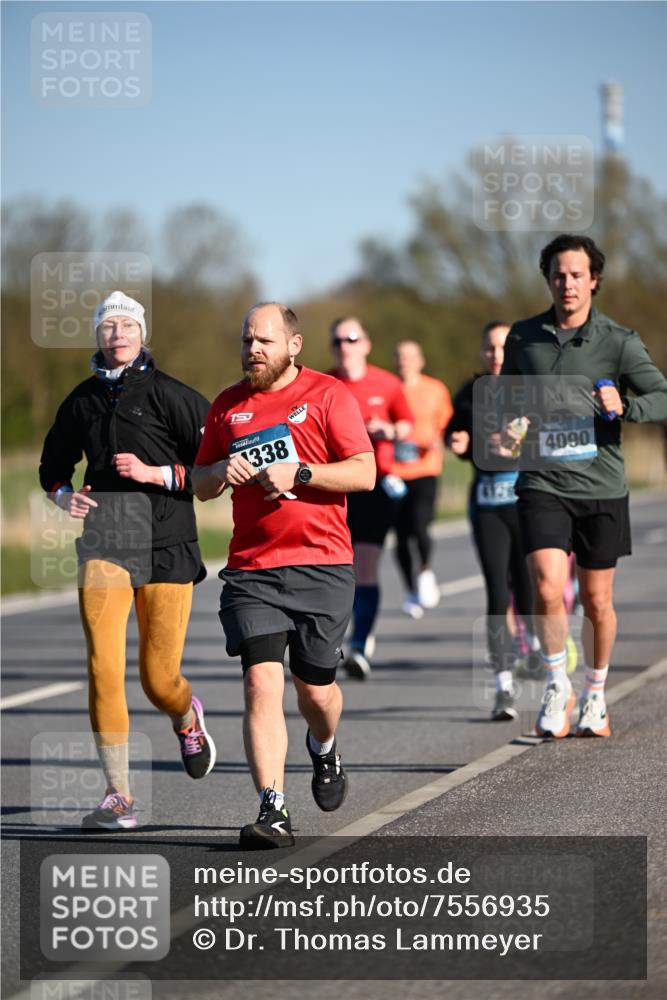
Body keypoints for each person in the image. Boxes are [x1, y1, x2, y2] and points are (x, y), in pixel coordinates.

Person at [192, 303, 375, 849]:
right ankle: (272, 809)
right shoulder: (227, 405)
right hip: (253, 570)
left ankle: (324, 746)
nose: (253, 350)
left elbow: (364, 472)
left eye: (264, 341)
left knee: (315, 691)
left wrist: (301, 472)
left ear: (293, 345)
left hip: (322, 563)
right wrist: (220, 470)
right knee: (260, 683)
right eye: (247, 340)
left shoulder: (328, 395)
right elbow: (200, 484)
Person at [39, 290, 214, 831]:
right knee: (102, 667)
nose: (117, 334)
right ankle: (119, 794)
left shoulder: (173, 396)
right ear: (98, 335)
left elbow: (214, 471)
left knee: (158, 679)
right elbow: (52, 465)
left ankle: (186, 716)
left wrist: (154, 473)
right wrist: (64, 497)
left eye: (127, 325)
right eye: (108, 326)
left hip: (167, 542)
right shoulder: (81, 401)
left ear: (142, 334)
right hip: (106, 540)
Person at [501, 234, 667, 738]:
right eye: (558, 274)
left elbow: (662, 396)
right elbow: (507, 400)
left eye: (577, 275)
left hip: (600, 484)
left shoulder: (618, 340)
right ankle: (558, 684)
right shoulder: (523, 337)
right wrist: (509, 426)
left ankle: (595, 693)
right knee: (547, 585)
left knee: (596, 600)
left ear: (594, 280)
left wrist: (627, 406)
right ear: (548, 279)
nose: (567, 283)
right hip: (541, 480)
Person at [446, 321, 543, 721]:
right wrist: (457, 442)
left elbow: (547, 428)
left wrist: (523, 431)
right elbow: (454, 433)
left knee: (527, 586)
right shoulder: (471, 392)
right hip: (488, 505)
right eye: (489, 348)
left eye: (503, 347)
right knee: (497, 593)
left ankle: (534, 644)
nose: (496, 355)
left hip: (526, 502)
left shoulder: (529, 389)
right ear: (482, 351)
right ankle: (503, 686)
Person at [328, 317, 413, 678]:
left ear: (366, 344)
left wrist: (389, 430)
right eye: (338, 341)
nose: (345, 346)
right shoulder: (325, 384)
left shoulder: (387, 383)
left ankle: (359, 646)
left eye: (351, 339)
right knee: (336, 569)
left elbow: (407, 424)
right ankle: (338, 638)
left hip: (375, 485)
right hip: (335, 487)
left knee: (364, 566)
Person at [391, 340, 453, 618]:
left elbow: (447, 425)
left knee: (420, 523)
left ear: (420, 361)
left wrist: (439, 439)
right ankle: (410, 591)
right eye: (399, 356)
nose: (404, 361)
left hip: (426, 468)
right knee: (401, 535)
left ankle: (425, 570)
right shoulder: (389, 389)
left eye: (409, 356)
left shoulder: (435, 389)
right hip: (394, 472)